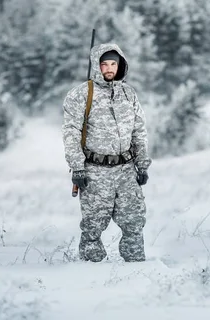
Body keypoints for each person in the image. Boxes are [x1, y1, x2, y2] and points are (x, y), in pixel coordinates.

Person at [62, 43, 151, 262]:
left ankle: (137, 269)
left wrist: (142, 164)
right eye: (104, 64)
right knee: (93, 224)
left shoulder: (128, 93)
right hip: (95, 171)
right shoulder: (81, 95)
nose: (109, 68)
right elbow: (71, 132)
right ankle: (91, 272)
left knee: (134, 221)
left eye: (113, 63)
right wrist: (78, 167)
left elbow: (139, 130)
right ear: (96, 66)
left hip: (126, 171)